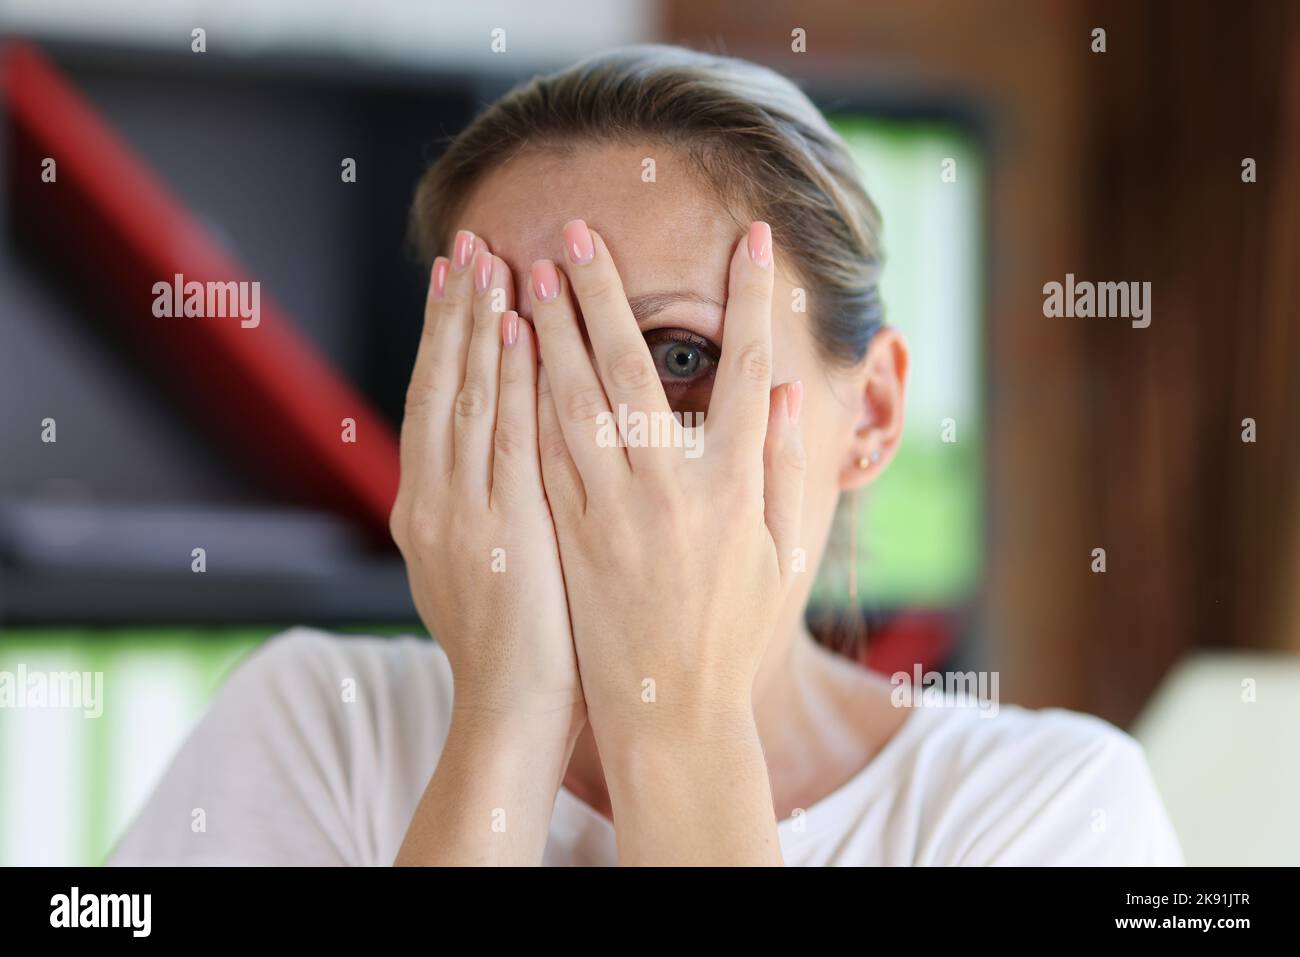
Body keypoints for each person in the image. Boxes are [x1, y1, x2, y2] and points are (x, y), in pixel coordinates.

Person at [108, 45, 1183, 867]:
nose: (591, 433)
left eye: (677, 353)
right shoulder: (314, 722)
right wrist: (508, 716)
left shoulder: (1044, 808)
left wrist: (673, 721)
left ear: (871, 414)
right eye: (522, 357)